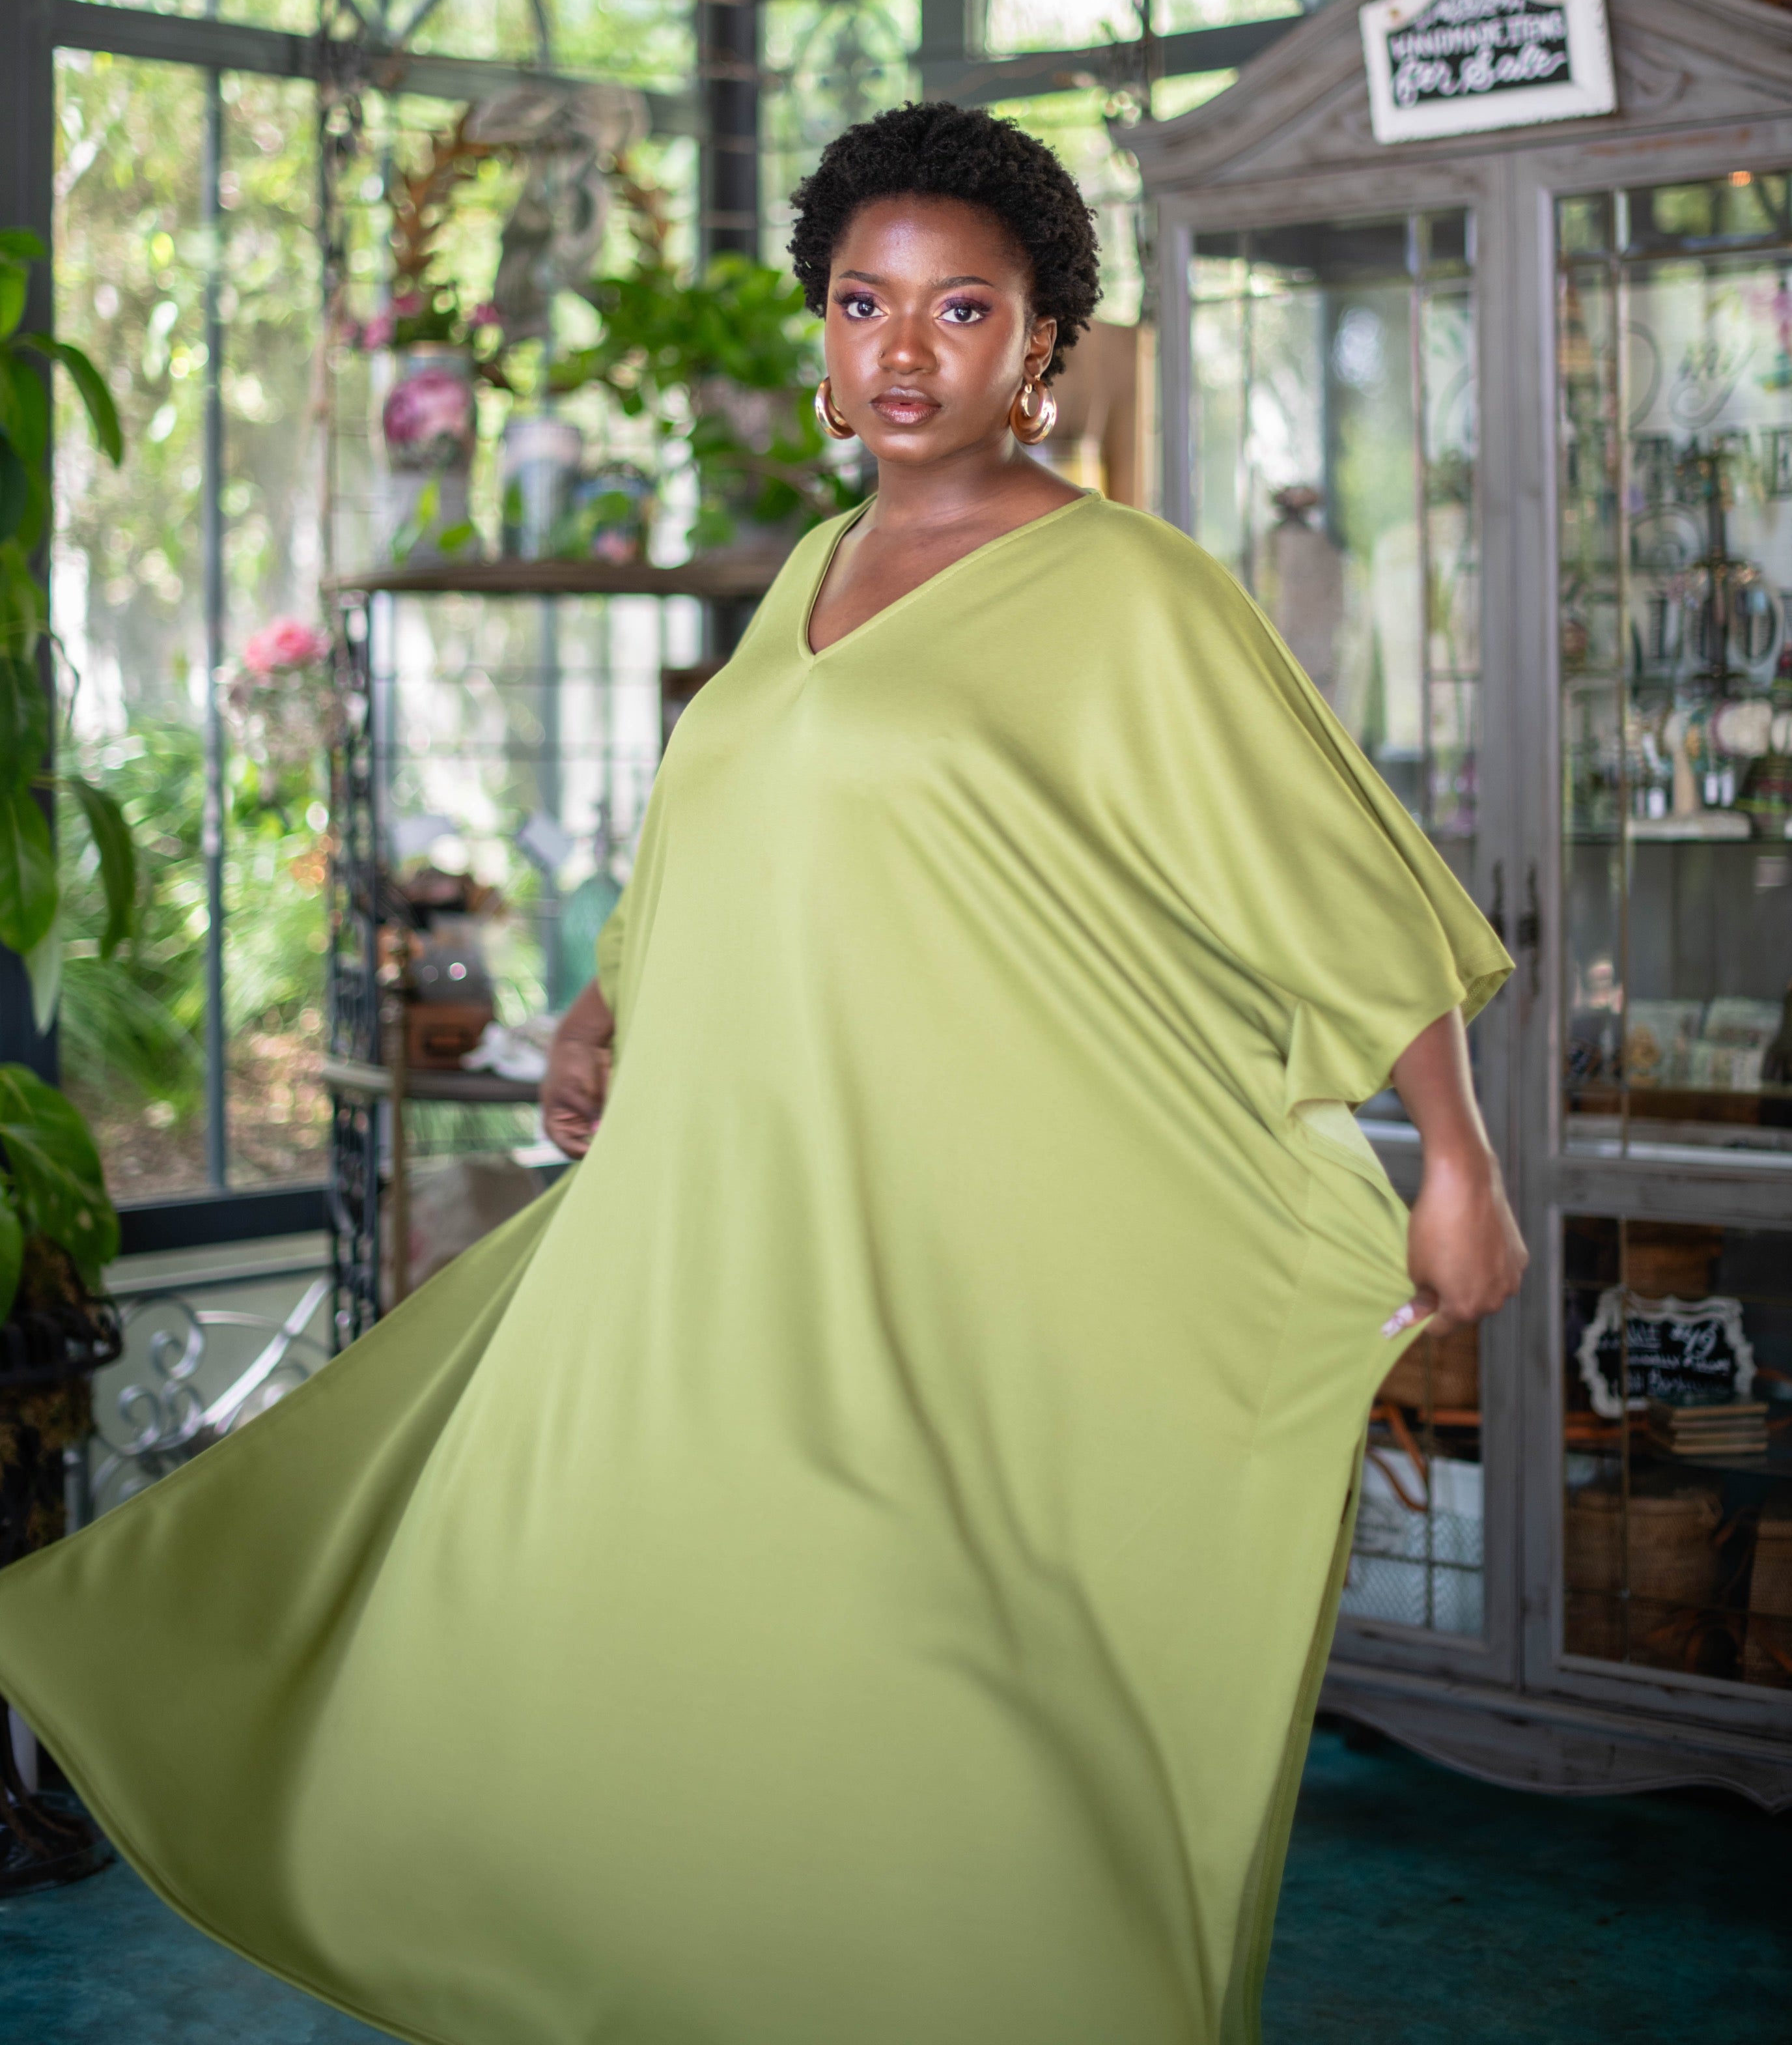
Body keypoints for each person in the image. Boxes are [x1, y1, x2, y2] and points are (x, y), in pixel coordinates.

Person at [0, 102, 1523, 2045]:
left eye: (963, 309)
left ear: (1043, 345)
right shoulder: (815, 562)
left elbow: (1329, 870)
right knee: (621, 1601)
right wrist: (602, 1006)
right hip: (731, 1207)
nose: (906, 352)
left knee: (965, 1663)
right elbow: (721, 828)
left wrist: (1457, 1156)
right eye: (864, 303)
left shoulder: (1132, 589)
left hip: (965, 1221)